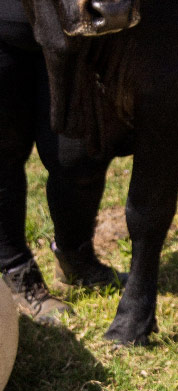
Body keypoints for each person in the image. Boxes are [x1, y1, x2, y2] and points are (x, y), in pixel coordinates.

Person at [0, 0, 121, 324]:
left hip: (75, 31)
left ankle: (74, 255)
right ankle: (15, 272)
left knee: (78, 155)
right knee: (3, 154)